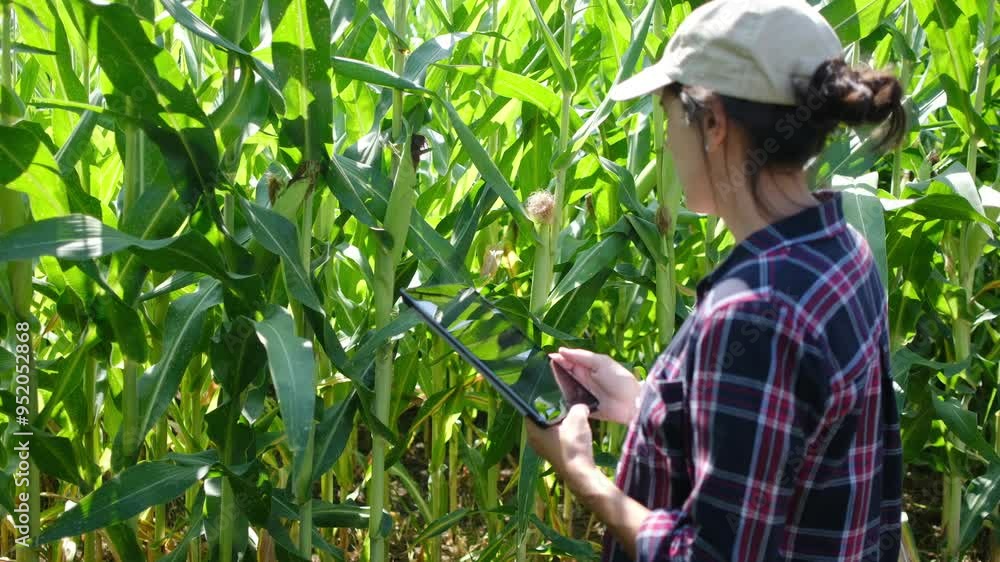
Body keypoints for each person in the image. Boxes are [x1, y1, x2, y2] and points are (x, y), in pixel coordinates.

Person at [524, 0, 905, 560]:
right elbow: (793, 443)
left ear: (713, 124)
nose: (666, 141)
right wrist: (652, 405)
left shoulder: (754, 309)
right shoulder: (844, 251)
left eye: (668, 117)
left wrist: (581, 472)